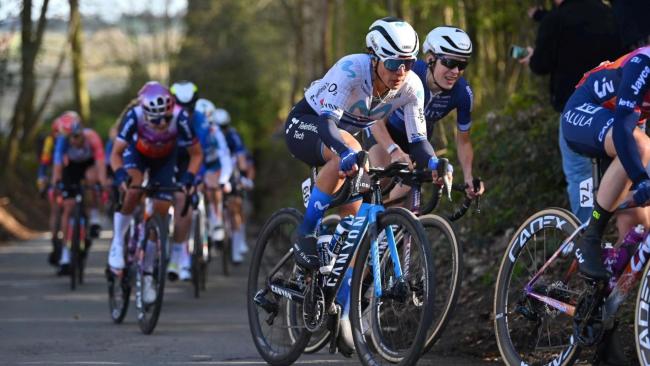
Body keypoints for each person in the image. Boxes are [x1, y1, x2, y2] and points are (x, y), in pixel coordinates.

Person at [285, 17, 428, 272]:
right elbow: (328, 125)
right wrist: (344, 152)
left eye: (409, 63)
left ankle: (338, 303)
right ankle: (305, 233)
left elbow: (419, 141)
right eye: (394, 63)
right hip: (308, 125)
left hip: (341, 141)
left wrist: (436, 163)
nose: (401, 72)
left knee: (353, 229)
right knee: (351, 150)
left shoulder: (411, 87)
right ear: (374, 58)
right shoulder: (351, 69)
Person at [520, 0, 623, 223]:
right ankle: (626, 236)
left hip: (575, 111)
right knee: (624, 165)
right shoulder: (608, 12)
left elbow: (541, 64)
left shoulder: (555, 20)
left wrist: (532, 57)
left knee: (580, 174)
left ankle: (587, 233)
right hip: (615, 106)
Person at [561, 46, 650, 281]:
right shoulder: (643, 63)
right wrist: (641, 180)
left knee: (638, 232)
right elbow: (622, 129)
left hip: (622, 123)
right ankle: (590, 237)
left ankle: (598, 299)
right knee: (640, 146)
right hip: (586, 108)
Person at [107, 81, 202, 302]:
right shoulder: (135, 115)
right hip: (137, 154)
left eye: (165, 118)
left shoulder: (180, 117)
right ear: (145, 113)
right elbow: (115, 154)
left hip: (164, 160)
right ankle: (118, 243)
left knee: (161, 209)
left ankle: (148, 273)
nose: (161, 124)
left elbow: (196, 154)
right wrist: (120, 174)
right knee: (133, 190)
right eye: (155, 119)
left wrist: (189, 177)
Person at [366, 26, 484, 202]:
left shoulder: (463, 93)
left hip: (417, 141)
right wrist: (393, 149)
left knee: (401, 201)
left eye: (462, 65)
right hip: (384, 131)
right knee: (380, 176)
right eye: (450, 63)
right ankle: (352, 220)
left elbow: (464, 140)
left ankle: (386, 223)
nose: (455, 72)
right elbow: (375, 119)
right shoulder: (408, 74)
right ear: (430, 59)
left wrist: (468, 177)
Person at [51, 112, 108, 274]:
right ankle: (65, 253)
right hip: (72, 168)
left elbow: (100, 162)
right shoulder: (63, 140)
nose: (73, 141)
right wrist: (56, 182)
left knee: (92, 179)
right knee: (68, 207)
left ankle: (95, 215)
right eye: (70, 138)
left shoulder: (92, 138)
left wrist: (102, 183)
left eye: (76, 137)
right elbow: (57, 165)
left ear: (81, 133)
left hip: (89, 165)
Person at [194, 99, 233, 246]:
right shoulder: (188, 128)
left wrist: (223, 180)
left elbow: (225, 155)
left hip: (213, 166)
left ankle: (216, 220)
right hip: (197, 165)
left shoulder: (215, 132)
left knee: (213, 188)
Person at [214, 107, 251, 263]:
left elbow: (242, 161)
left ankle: (236, 249)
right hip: (213, 171)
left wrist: (243, 177)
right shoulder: (208, 135)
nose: (221, 131)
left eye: (224, 127)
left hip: (230, 171)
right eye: (218, 127)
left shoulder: (233, 136)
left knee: (235, 205)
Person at [37, 115, 63, 266]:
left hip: (70, 174)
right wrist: (42, 183)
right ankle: (55, 242)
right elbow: (44, 163)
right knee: (56, 210)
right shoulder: (49, 142)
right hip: (56, 178)